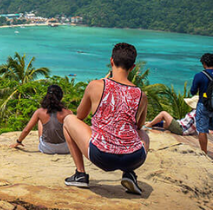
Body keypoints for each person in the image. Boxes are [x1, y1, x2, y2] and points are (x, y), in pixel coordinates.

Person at [62, 43, 149, 195]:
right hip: (133, 158)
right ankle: (129, 173)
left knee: (68, 120)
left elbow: (80, 116)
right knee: (144, 135)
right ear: (133, 67)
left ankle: (80, 174)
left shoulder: (95, 85)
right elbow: (139, 126)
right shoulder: (142, 95)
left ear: (111, 61)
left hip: (102, 156)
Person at [9, 84, 72, 154]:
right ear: (60, 97)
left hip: (47, 148)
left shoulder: (40, 112)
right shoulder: (68, 112)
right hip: (64, 148)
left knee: (40, 120)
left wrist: (18, 142)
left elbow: (26, 130)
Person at [190, 53, 213, 162]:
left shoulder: (200, 75)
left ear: (204, 63)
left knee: (202, 130)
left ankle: (204, 153)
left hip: (204, 105)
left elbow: (193, 91)